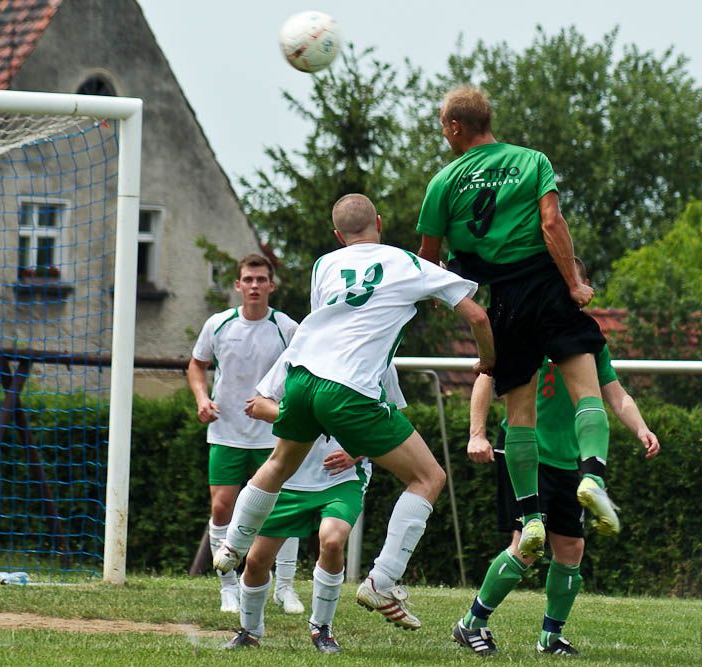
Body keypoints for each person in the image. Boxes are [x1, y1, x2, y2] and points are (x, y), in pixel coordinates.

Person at [214, 193, 496, 631]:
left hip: (302, 378)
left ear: (337, 235)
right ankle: (382, 580)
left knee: (278, 463)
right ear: (380, 222)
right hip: (349, 390)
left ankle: (231, 546)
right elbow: (477, 317)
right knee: (429, 478)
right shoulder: (406, 263)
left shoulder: (324, 265)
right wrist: (488, 360)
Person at [416, 85, 616, 563]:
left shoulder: (443, 182)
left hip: (503, 300)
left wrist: (452, 291)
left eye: (443, 125)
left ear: (455, 126)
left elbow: (427, 260)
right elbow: (552, 224)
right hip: (547, 287)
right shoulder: (532, 161)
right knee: (587, 392)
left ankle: (530, 518)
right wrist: (572, 282)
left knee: (520, 415)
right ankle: (591, 474)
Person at [452, 259, 661, 657]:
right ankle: (471, 623)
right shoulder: (521, 329)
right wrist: (476, 433)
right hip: (527, 457)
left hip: (569, 460)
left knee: (571, 550)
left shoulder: (585, 340)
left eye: (573, 281)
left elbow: (615, 394)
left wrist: (641, 429)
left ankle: (550, 637)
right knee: (527, 545)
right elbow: (485, 376)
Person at [223, 360, 405, 653]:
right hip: (287, 479)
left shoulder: (379, 361)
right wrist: (309, 416)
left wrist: (356, 451)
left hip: (340, 480)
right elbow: (257, 405)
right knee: (256, 561)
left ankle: (322, 629)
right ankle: (250, 631)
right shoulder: (300, 357)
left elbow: (390, 418)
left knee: (332, 542)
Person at [187, 253, 303, 614]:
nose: (254, 286)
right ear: (237, 285)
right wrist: (202, 398)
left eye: (261, 279)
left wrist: (290, 411)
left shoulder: (287, 328)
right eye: (248, 280)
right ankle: (227, 588)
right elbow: (196, 365)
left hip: (274, 436)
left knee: (281, 511)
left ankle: (284, 587)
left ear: (271, 285)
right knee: (222, 506)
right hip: (226, 433)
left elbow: (305, 371)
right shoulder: (218, 324)